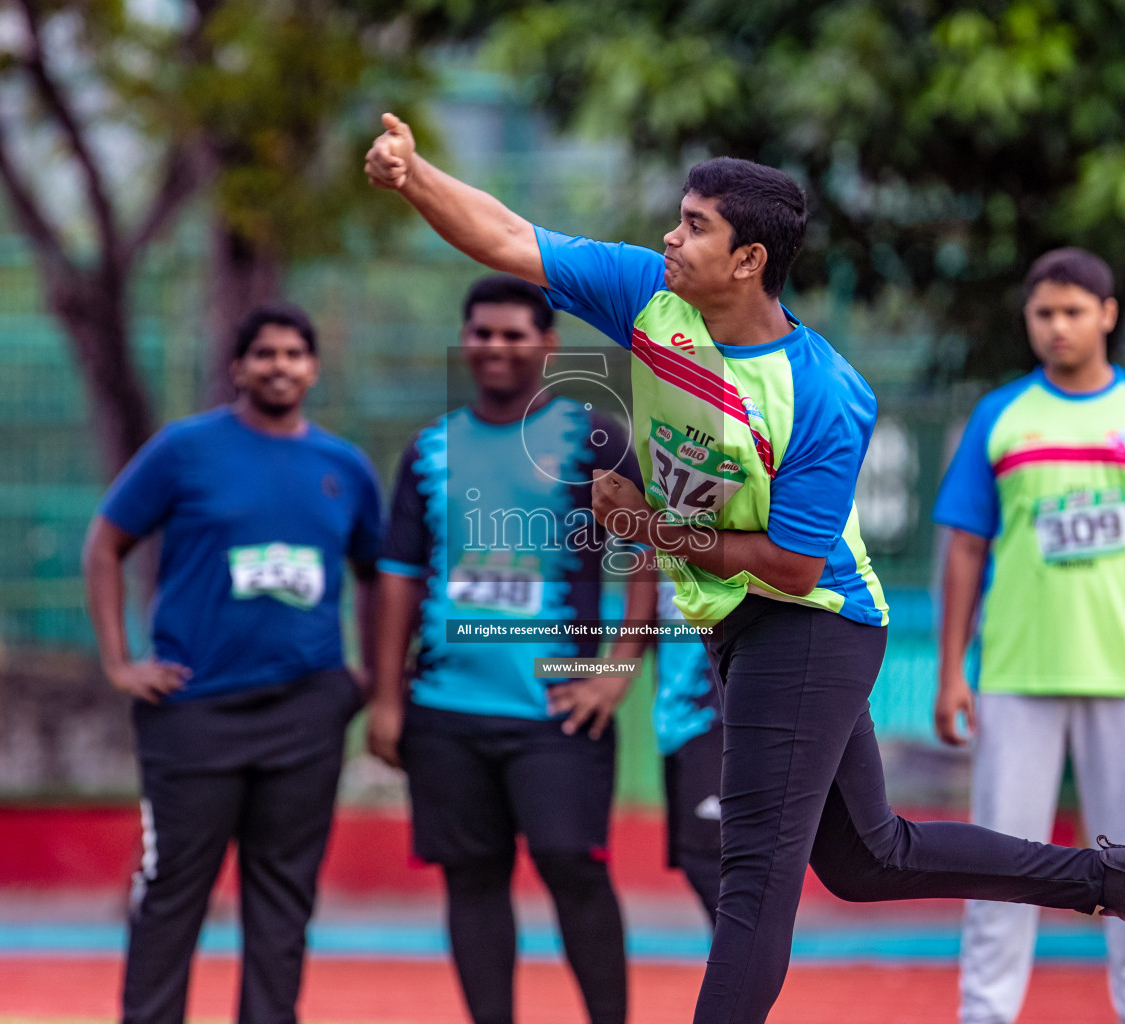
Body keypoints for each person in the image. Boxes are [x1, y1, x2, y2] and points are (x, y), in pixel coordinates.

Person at [363, 114, 1125, 1023]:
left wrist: (650, 524)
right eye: (679, 217)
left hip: (811, 621)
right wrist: (415, 175)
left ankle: (1118, 877)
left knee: (755, 876)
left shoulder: (823, 393)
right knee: (865, 859)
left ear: (749, 260)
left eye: (695, 225)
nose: (670, 236)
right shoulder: (652, 297)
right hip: (740, 621)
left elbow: (795, 563)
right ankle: (1120, 877)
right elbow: (504, 236)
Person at [932, 248, 1125, 1024]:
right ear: (1028, 320)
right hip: (1015, 678)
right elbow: (963, 548)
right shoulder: (999, 416)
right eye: (1043, 313)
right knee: (1000, 869)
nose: (1057, 326)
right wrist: (952, 671)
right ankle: (985, 1015)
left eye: (1073, 311)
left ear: (1108, 315)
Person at [365, 275, 658, 1024]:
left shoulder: (593, 438)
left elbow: (650, 557)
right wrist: (388, 700)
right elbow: (397, 579)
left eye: (513, 334)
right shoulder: (428, 451)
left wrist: (619, 668)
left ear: (547, 345)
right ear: (466, 342)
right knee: (472, 879)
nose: (496, 347)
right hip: (445, 712)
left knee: (573, 869)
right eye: (483, 333)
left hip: (557, 709)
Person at [82, 303, 382, 1024]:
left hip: (306, 714)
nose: (280, 365)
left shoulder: (343, 467)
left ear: (312, 368)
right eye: (265, 354)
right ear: (238, 367)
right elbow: (104, 545)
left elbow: (379, 572)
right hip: (193, 710)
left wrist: (365, 677)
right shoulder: (184, 450)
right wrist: (122, 664)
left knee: (283, 902)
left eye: (294, 354)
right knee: (171, 892)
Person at [652, 579, 724, 924]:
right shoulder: (646, 537)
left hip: (722, 714)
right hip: (674, 720)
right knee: (694, 855)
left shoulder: (732, 528)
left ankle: (742, 974)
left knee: (714, 859)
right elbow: (637, 628)